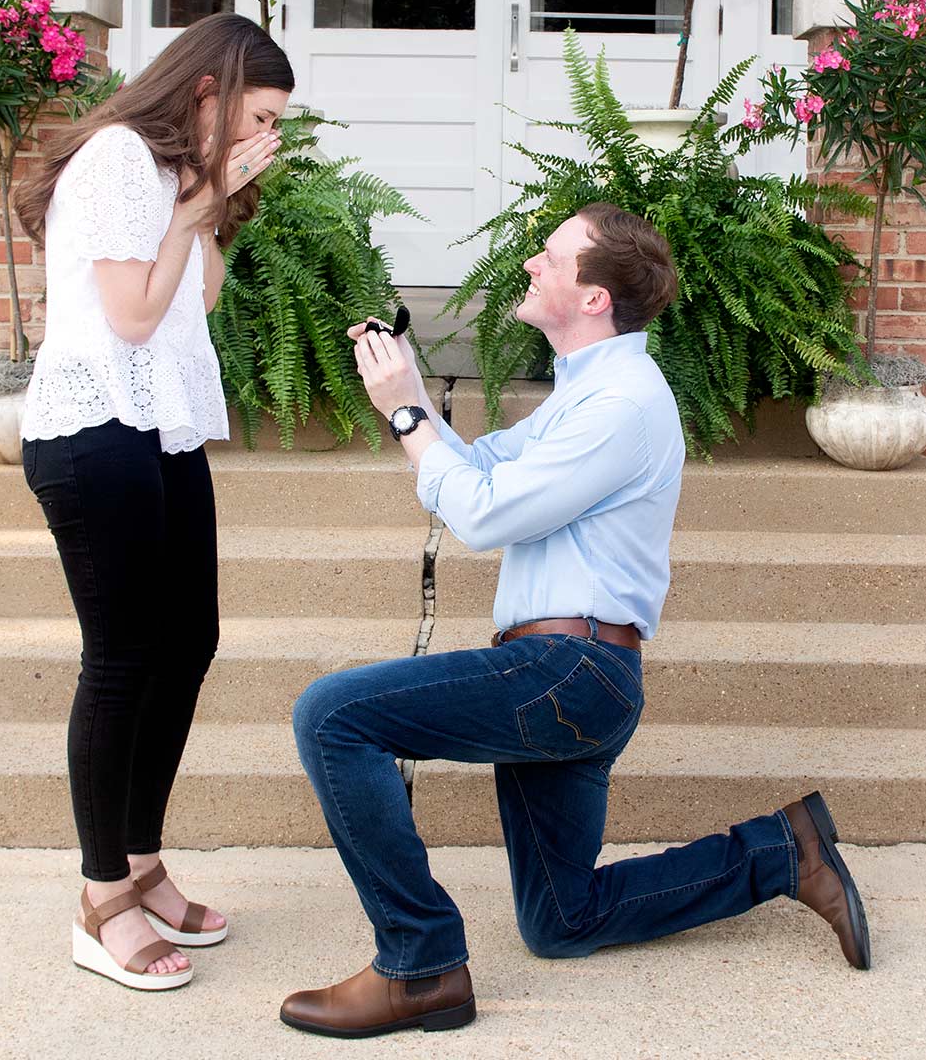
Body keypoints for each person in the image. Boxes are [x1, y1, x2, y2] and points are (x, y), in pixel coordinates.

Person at [279, 202, 871, 1038]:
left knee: (332, 716)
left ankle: (419, 965)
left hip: (566, 672)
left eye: (550, 257)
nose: (529, 265)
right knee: (562, 918)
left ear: (594, 297)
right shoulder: (585, 393)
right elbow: (481, 468)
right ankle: (783, 850)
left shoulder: (621, 404)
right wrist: (407, 394)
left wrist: (409, 418)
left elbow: (481, 516)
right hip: (570, 679)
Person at [12, 12, 288, 991]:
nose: (266, 140)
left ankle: (140, 859)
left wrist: (206, 204)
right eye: (256, 116)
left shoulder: (169, 175)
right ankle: (100, 899)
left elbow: (195, 300)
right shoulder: (118, 155)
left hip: (158, 426)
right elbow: (130, 318)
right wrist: (191, 204)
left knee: (190, 639)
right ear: (208, 95)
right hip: (95, 429)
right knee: (124, 657)